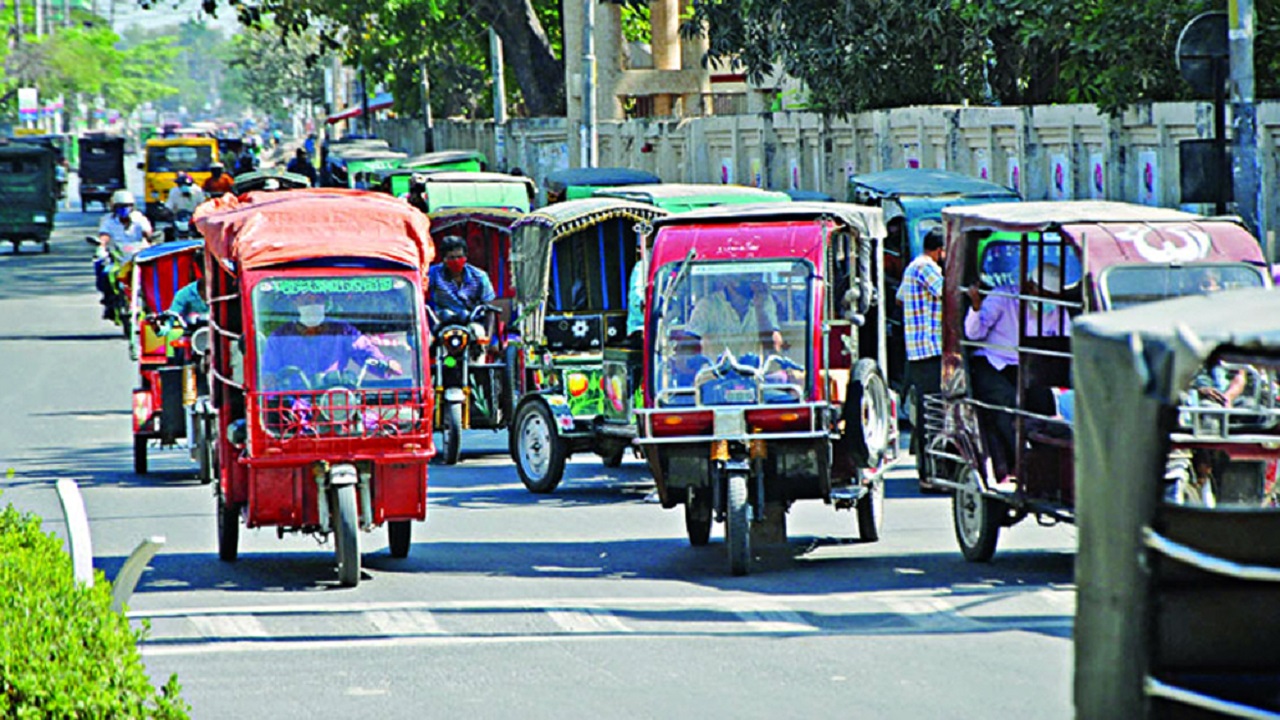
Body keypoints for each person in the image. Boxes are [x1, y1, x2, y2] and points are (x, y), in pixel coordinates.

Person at [964, 262, 1072, 483]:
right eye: (1044, 294)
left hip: (1028, 366)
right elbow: (974, 333)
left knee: (1045, 403)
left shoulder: (1058, 310)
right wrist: (976, 307)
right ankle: (1015, 463)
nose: (1048, 301)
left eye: (1052, 297)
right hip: (993, 361)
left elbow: (1067, 340)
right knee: (1006, 403)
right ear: (1031, 287)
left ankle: (1049, 463)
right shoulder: (1003, 297)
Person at [259, 291, 402, 389]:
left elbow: (365, 353)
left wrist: (385, 363)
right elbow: (269, 371)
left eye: (318, 301)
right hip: (295, 404)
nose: (313, 306)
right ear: (296, 303)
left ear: (324, 303)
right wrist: (269, 379)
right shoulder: (279, 336)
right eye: (307, 301)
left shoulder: (342, 330)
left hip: (335, 400)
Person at [896, 227, 945, 487]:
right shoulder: (927, 267)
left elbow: (900, 299)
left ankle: (928, 471)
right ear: (940, 251)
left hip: (916, 352)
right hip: (930, 351)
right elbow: (949, 294)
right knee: (934, 416)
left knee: (926, 415)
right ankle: (931, 474)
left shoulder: (911, 268)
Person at [687, 275, 783, 360]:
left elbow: (774, 348)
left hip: (752, 372)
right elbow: (688, 345)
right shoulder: (707, 305)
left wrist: (760, 309)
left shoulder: (765, 302)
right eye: (745, 277)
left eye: (756, 276)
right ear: (728, 279)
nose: (752, 282)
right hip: (715, 373)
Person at [95, 189, 152, 319]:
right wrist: (101, 245)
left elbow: (148, 233)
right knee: (105, 273)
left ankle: (151, 305)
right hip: (118, 257)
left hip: (138, 257)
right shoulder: (108, 220)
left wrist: (149, 236)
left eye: (127, 206)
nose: (124, 209)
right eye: (120, 206)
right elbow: (104, 235)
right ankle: (109, 302)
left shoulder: (139, 219)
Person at [427, 235, 496, 344]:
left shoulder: (479, 276)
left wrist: (488, 337)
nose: (456, 261)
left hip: (471, 322)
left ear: (466, 257)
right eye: (451, 258)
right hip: (442, 321)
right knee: (427, 341)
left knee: (479, 334)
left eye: (459, 257)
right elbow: (420, 290)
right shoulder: (434, 273)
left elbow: (489, 308)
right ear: (444, 259)